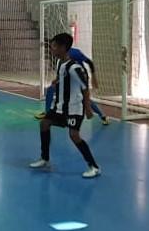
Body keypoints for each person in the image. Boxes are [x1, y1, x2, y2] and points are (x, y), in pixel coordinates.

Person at [29, 33, 101, 178]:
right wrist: (57, 81)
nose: (52, 49)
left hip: (74, 108)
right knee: (44, 123)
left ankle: (94, 166)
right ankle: (45, 158)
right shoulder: (59, 63)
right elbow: (62, 77)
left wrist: (87, 108)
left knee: (74, 136)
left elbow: (85, 87)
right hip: (60, 107)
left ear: (63, 48)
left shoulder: (74, 67)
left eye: (54, 46)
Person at [36, 45, 109, 125]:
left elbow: (89, 62)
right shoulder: (59, 57)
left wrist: (93, 77)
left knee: (84, 98)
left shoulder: (75, 53)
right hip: (67, 78)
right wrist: (57, 79)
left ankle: (103, 116)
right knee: (51, 89)